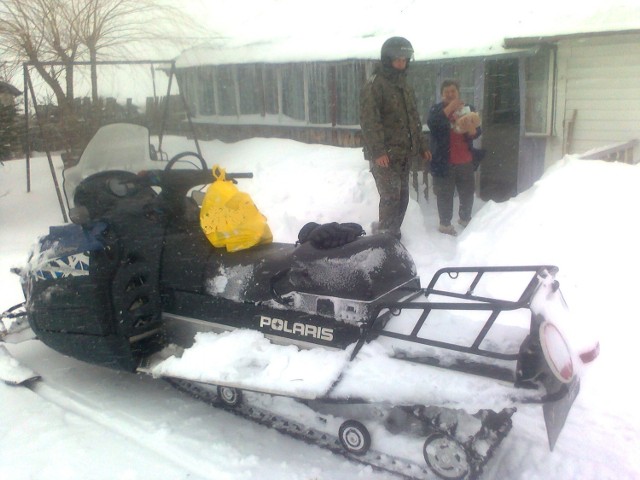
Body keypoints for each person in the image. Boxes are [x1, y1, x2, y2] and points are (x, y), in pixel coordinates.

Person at [360, 36, 431, 240]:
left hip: (403, 154)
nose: (401, 63)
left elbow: (413, 119)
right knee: (391, 197)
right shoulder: (375, 85)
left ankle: (391, 234)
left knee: (402, 198)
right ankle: (384, 240)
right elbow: (369, 121)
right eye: (397, 59)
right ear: (387, 59)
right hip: (385, 156)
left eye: (404, 60)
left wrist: (422, 145)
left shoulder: (404, 87)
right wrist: (378, 151)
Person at [427, 79, 482, 236]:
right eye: (447, 92)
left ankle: (465, 220)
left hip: (465, 159)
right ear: (442, 94)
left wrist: (473, 130)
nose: (450, 94)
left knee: (467, 192)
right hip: (444, 161)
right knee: (445, 194)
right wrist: (451, 106)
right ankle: (445, 225)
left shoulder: (468, 108)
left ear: (458, 92)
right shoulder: (436, 110)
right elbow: (433, 123)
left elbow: (477, 130)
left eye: (453, 91)